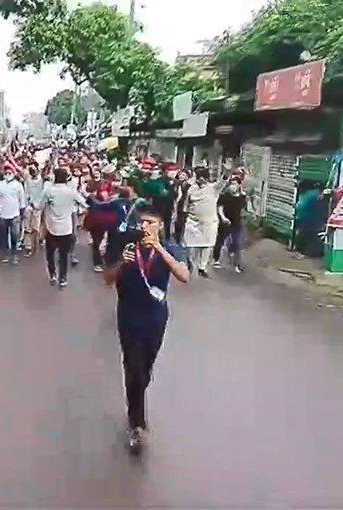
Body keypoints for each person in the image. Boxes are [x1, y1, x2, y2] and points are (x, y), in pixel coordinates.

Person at [103, 204, 190, 453]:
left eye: (151, 223)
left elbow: (184, 276)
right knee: (134, 368)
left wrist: (160, 249)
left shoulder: (170, 247)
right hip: (129, 314)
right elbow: (107, 280)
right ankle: (136, 423)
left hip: (156, 315)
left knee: (145, 367)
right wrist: (121, 262)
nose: (145, 227)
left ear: (160, 226)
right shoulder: (125, 246)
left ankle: (137, 395)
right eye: (142, 223)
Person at [42, 169, 87, 287]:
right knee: (63, 255)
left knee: (50, 254)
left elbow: (39, 205)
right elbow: (84, 203)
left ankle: (52, 274)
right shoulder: (70, 192)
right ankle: (63, 278)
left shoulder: (48, 191)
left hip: (51, 227)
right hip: (66, 228)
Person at [182, 167, 219, 277]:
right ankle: (190, 262)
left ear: (206, 178)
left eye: (201, 177)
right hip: (193, 222)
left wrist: (227, 170)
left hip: (209, 223)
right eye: (197, 177)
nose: (199, 180)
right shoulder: (191, 189)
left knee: (207, 246)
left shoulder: (213, 188)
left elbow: (223, 182)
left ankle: (202, 267)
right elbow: (185, 205)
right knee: (189, 244)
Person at [0, 165, 26, 264]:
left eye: (10, 173)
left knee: (15, 235)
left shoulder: (18, 185)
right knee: (3, 235)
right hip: (2, 214)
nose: (8, 175)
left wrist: (22, 210)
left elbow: (21, 199)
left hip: (15, 214)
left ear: (14, 174)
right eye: (6, 173)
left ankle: (14, 254)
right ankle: (5, 254)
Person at [213, 175, 248, 272]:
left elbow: (243, 208)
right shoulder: (224, 195)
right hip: (226, 221)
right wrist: (223, 217)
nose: (233, 185)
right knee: (220, 240)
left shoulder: (242, 196)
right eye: (232, 183)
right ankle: (216, 259)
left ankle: (237, 264)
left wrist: (243, 195)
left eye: (235, 184)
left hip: (237, 222)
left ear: (239, 185)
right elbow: (220, 207)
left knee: (237, 242)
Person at [23, 165, 46, 257]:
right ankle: (28, 246)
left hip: (39, 207)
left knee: (36, 228)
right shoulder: (27, 181)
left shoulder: (43, 181)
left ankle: (34, 245)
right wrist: (31, 202)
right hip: (29, 206)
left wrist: (39, 204)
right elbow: (26, 192)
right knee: (27, 227)